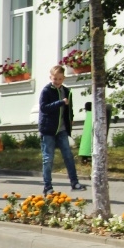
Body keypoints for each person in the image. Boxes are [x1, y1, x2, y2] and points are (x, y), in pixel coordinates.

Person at [39, 65, 88, 195]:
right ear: (51, 77)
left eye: (60, 79)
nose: (57, 81)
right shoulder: (46, 91)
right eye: (55, 78)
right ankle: (48, 187)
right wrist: (60, 102)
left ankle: (74, 183)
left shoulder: (66, 91)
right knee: (48, 159)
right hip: (48, 130)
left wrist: (70, 119)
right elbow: (44, 108)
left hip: (62, 129)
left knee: (68, 156)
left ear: (64, 78)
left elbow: (69, 109)